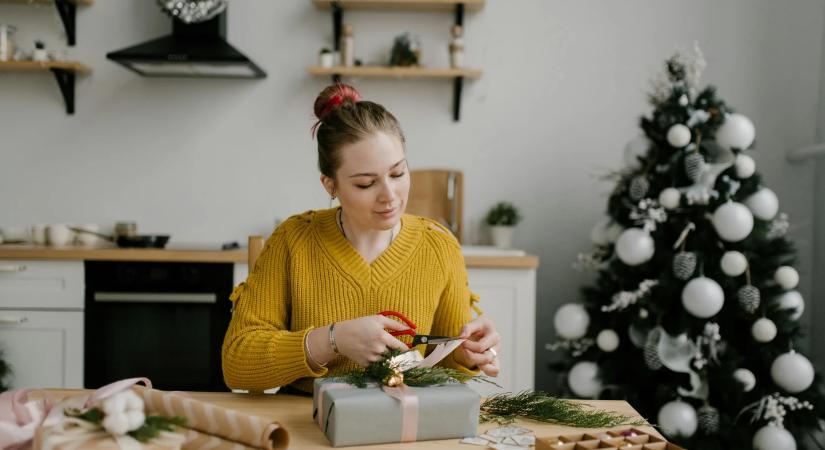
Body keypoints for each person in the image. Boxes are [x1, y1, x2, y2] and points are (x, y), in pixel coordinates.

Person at [222, 84, 500, 394]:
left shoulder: (439, 246)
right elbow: (237, 363)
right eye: (366, 184)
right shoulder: (293, 241)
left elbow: (445, 366)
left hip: (402, 426)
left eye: (397, 174)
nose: (390, 196)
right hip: (307, 425)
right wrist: (334, 340)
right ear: (331, 185)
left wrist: (468, 354)